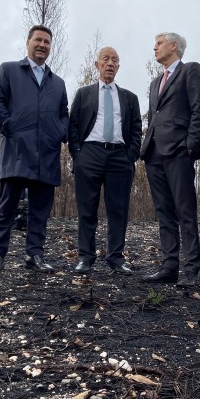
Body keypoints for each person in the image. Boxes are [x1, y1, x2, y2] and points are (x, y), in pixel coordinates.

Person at [0, 25, 69, 273]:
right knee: (7, 206)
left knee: (40, 209)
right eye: (38, 40)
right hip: (17, 150)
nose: (43, 45)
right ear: (28, 42)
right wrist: (9, 127)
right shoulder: (9, 70)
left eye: (47, 42)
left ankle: (35, 255)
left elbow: (64, 114)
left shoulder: (58, 83)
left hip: (47, 153)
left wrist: (59, 133)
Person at [139, 32, 200, 288]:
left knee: (185, 210)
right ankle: (169, 266)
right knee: (164, 212)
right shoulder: (156, 81)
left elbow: (199, 108)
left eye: (158, 43)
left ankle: (191, 268)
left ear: (174, 45)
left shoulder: (190, 70)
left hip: (179, 150)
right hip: (154, 153)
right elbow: (153, 116)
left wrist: (190, 145)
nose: (154, 48)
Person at [68, 46, 142, 276]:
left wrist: (130, 156)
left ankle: (116, 258)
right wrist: (78, 155)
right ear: (97, 64)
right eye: (106, 59)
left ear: (118, 67)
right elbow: (73, 126)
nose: (110, 63)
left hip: (120, 158)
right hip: (89, 154)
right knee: (86, 209)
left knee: (118, 210)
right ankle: (86, 257)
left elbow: (137, 129)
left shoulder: (130, 98)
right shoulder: (83, 94)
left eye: (115, 61)